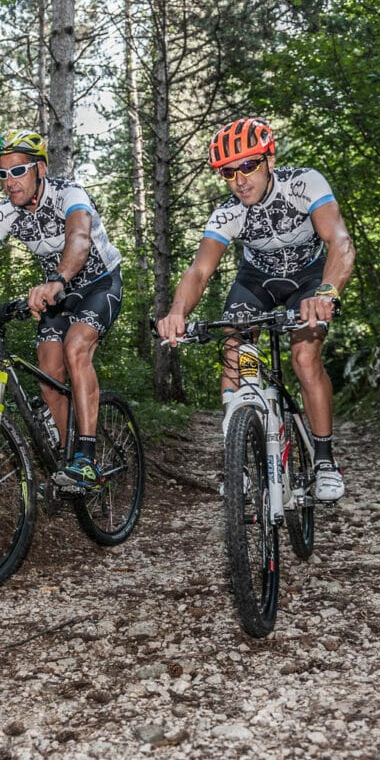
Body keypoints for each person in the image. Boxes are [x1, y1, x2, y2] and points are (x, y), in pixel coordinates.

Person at [156, 118, 355, 502]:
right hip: (256, 282)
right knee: (235, 346)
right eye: (228, 172)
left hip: (308, 280)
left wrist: (327, 292)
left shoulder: (304, 184)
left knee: (304, 356)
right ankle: (239, 463)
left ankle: (325, 459)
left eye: (248, 165)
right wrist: (177, 311)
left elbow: (340, 241)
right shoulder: (228, 213)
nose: (239, 179)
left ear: (269, 160)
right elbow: (199, 270)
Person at [0, 130, 124, 490]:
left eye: (18, 171)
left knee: (76, 348)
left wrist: (58, 279)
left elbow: (78, 238)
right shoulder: (5, 213)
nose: (9, 182)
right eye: (2, 174)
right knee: (48, 372)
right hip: (58, 295)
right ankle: (67, 457)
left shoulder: (69, 194)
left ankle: (87, 458)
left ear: (40, 169)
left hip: (98, 285)